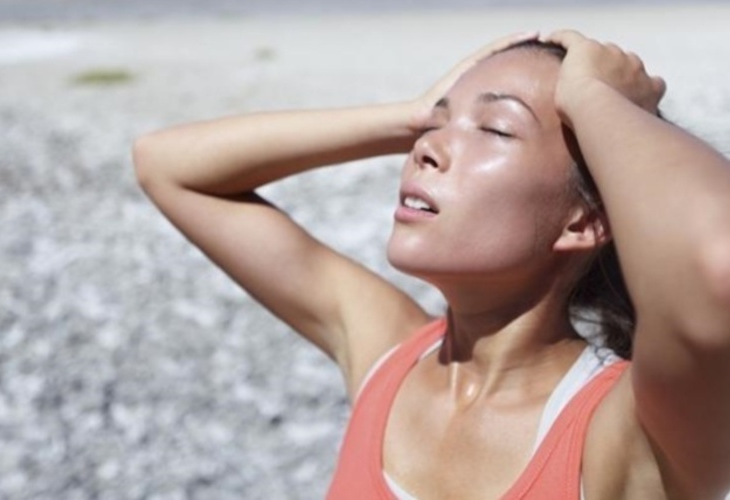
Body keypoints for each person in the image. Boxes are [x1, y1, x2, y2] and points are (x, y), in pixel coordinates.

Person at [133, 29, 730, 499]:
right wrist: (410, 116)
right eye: (435, 128)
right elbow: (165, 165)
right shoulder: (388, 357)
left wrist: (595, 97)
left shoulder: (628, 431)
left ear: (583, 223)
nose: (427, 148)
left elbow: (715, 259)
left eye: (496, 128)